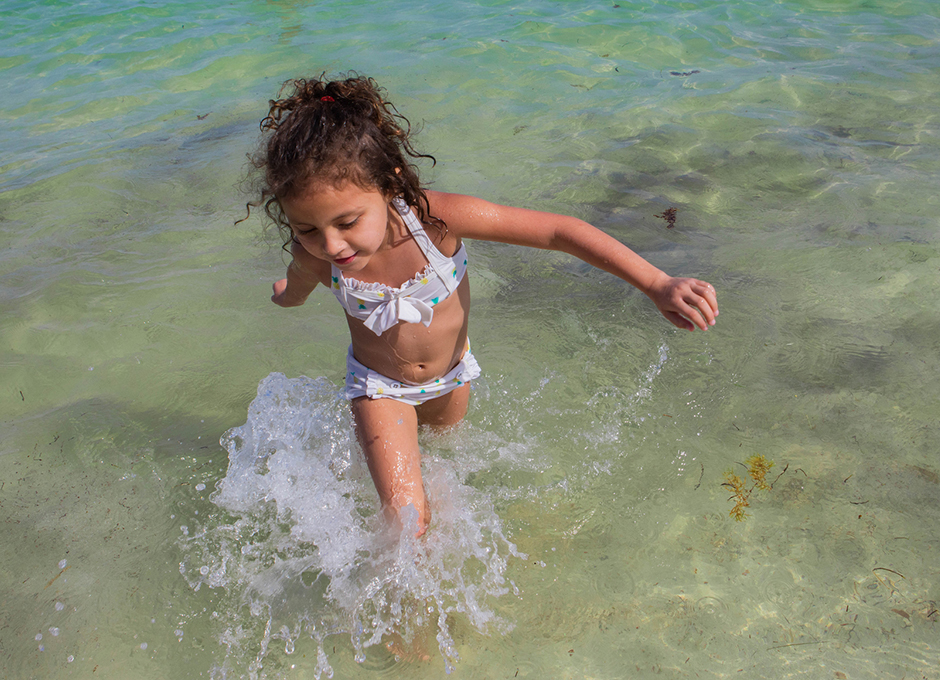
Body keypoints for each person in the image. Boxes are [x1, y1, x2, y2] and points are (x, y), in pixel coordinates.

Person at [251, 74, 718, 537]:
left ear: (387, 183)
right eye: (306, 229)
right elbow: (293, 291)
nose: (330, 244)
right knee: (407, 520)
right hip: (379, 387)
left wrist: (658, 282)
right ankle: (402, 607)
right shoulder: (314, 259)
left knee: (448, 480)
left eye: (347, 221)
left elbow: (558, 232)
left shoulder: (436, 221)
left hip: (452, 376)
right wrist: (283, 294)